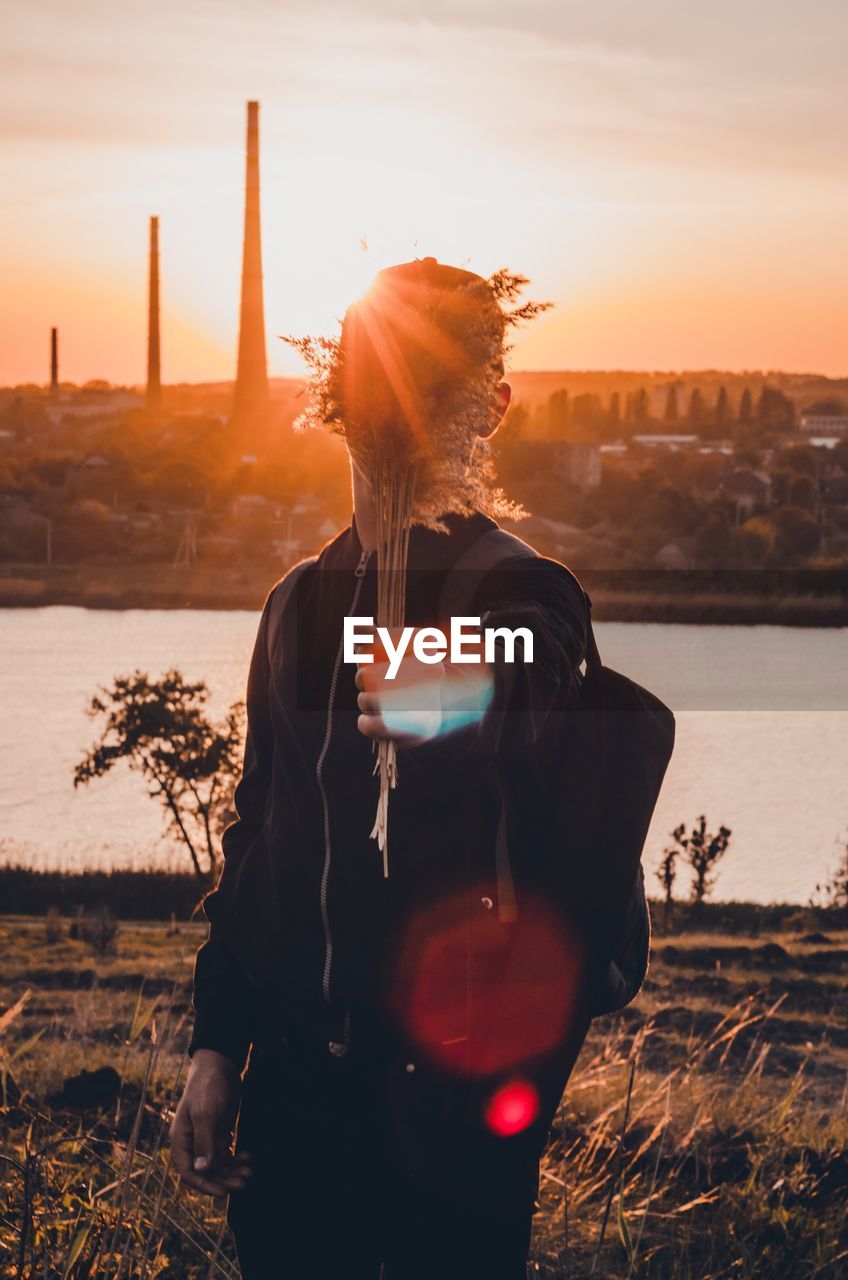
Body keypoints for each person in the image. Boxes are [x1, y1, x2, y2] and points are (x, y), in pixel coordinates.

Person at [170, 258, 592, 1279]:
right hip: (292, 1088)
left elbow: (540, 721)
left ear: (491, 407)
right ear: (335, 402)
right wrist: (216, 1045)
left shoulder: (524, 596)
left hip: (455, 1107)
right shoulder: (294, 605)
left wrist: (411, 671)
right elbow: (256, 834)